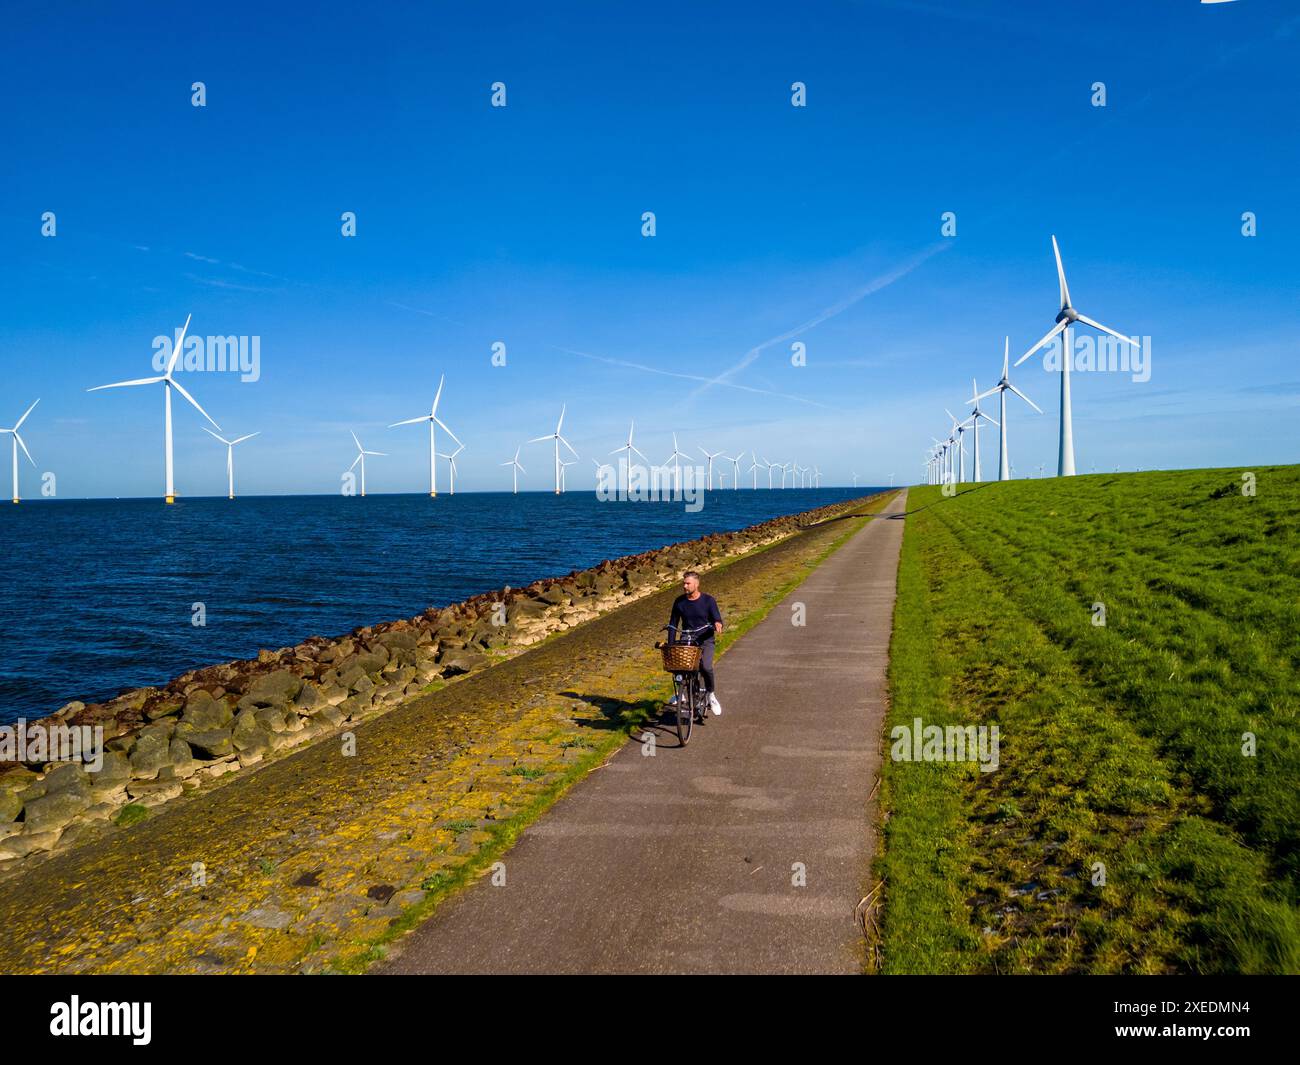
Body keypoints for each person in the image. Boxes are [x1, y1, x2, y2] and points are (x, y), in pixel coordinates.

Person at [668, 570, 723, 715]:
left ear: (696, 584)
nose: (685, 586)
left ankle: (711, 695)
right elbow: (673, 624)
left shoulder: (708, 600)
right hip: (687, 638)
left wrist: (717, 624)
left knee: (705, 667)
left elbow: (717, 618)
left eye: (688, 583)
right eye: (684, 583)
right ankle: (682, 692)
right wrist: (671, 644)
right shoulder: (679, 602)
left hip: (705, 639)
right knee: (679, 665)